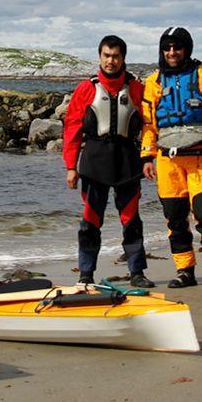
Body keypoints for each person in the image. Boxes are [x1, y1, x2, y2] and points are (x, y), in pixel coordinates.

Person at [141, 27, 202, 289]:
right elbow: (149, 124)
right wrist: (146, 157)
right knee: (175, 218)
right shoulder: (154, 82)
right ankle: (185, 270)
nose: (172, 52)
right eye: (167, 48)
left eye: (177, 47)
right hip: (168, 161)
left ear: (187, 49)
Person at [62, 35, 155, 288]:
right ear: (100, 57)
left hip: (127, 160)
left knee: (131, 218)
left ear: (123, 57)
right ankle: (86, 273)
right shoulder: (86, 89)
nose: (111, 61)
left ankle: (137, 271)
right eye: (106, 55)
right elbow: (72, 128)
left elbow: (149, 125)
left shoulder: (136, 88)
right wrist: (71, 166)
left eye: (116, 56)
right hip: (94, 160)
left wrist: (149, 157)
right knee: (91, 220)